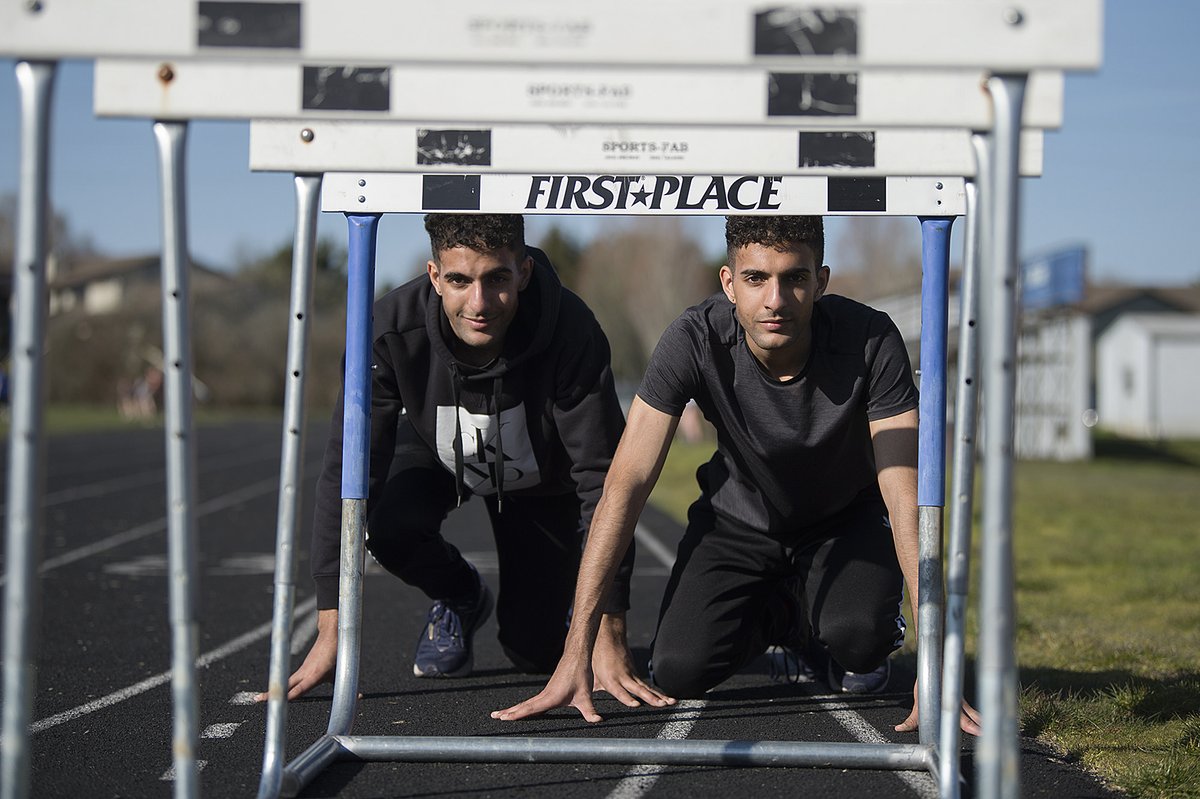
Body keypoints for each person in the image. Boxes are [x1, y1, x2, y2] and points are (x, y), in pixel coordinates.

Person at [493, 215, 980, 734]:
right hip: (738, 520)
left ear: (821, 281)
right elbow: (626, 482)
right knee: (678, 671)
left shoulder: (870, 339)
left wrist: (936, 660)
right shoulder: (693, 338)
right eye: (755, 279)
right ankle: (785, 614)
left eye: (794, 278)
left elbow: (906, 492)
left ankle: (844, 623)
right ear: (728, 283)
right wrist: (579, 646)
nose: (775, 299)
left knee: (859, 641)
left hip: (843, 522)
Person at [259, 214, 671, 711]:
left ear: (523, 271)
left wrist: (606, 632)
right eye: (459, 280)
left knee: (537, 652)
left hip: (540, 479)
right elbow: (347, 470)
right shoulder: (388, 328)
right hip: (436, 445)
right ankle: (460, 594)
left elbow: (605, 483)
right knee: (388, 524)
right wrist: (331, 630)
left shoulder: (571, 329)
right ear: (435, 276)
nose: (479, 303)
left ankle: (554, 617)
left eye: (497, 278)